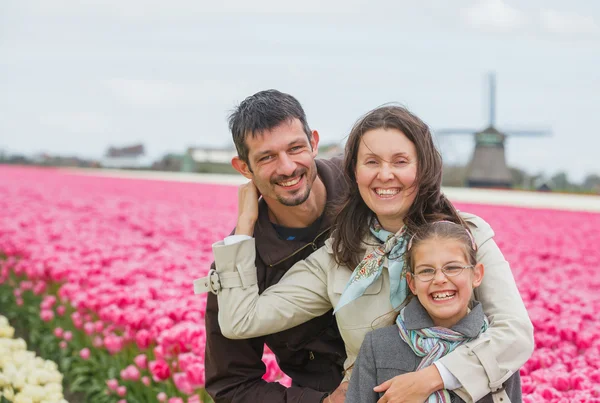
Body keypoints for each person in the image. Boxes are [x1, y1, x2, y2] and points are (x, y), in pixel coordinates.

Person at [209, 105, 534, 403]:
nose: (385, 174)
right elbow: (241, 320)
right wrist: (243, 229)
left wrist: (431, 378)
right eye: (372, 162)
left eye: (400, 161)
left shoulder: (467, 235)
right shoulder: (338, 255)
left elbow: (515, 333)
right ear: (354, 171)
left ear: (423, 166)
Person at [195, 90, 349, 403]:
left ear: (314, 142)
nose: (288, 167)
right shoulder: (238, 262)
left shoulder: (365, 186)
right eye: (266, 157)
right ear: (243, 168)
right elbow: (232, 385)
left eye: (296, 148)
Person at [346, 221, 522, 403]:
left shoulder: (499, 350)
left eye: (453, 267)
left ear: (476, 275)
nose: (439, 279)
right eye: (426, 271)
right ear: (412, 283)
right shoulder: (379, 346)